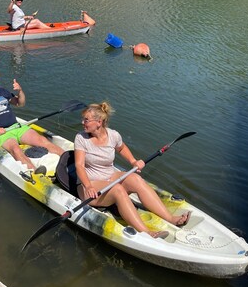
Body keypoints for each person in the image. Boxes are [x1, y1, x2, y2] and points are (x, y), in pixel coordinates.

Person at [74, 102, 191, 238]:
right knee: (118, 189)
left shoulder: (113, 135)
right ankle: (146, 232)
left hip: (109, 177)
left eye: (86, 120)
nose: (82, 122)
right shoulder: (81, 138)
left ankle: (171, 219)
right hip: (90, 185)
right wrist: (88, 186)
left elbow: (122, 148)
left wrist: (134, 161)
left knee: (136, 179)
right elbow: (79, 166)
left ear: (99, 122)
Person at [0, 67, 64, 172]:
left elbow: (20, 103)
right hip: (2, 133)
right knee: (15, 149)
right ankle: (35, 174)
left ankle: (69, 159)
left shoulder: (2, 91)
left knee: (42, 140)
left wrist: (20, 91)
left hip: (17, 127)